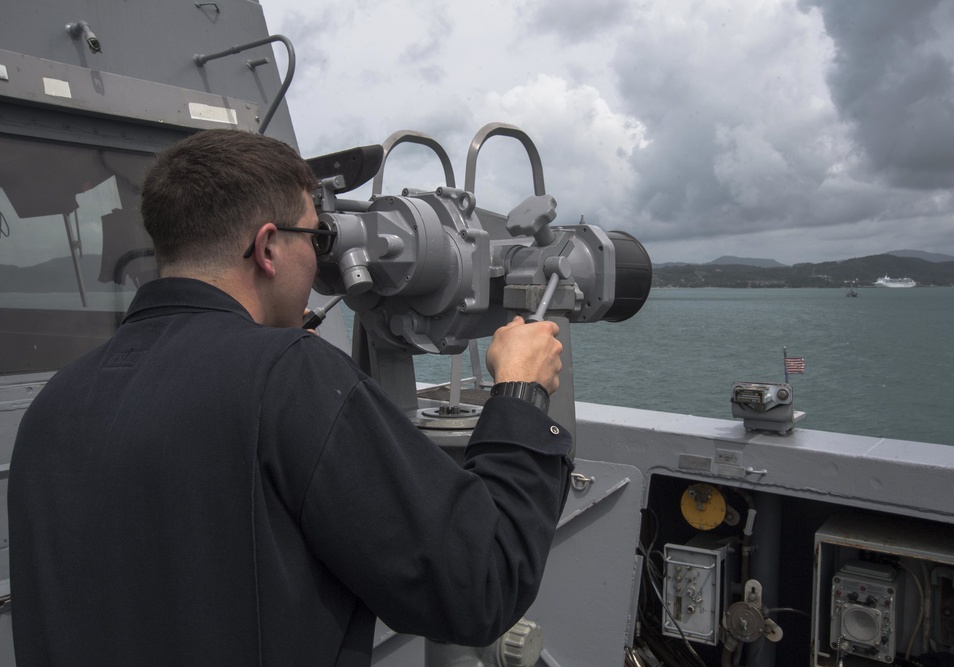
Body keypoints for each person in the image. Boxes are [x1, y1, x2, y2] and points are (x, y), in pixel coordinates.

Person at [8, 129, 572, 666]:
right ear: (269, 247)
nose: (321, 260)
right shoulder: (290, 380)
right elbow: (478, 586)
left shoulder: (57, 401)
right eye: (318, 237)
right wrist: (519, 393)